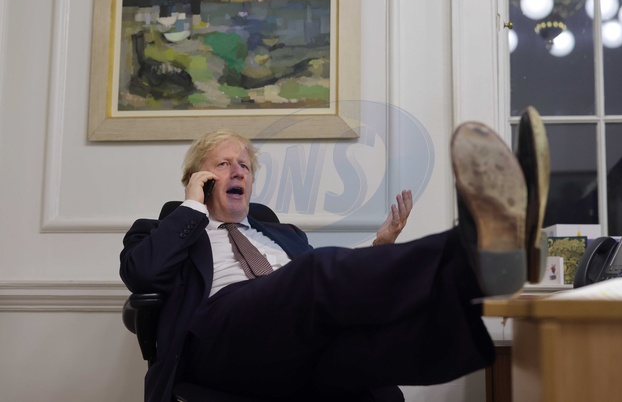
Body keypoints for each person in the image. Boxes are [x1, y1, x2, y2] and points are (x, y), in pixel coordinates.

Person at [120, 106, 549, 402]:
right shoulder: (161, 230)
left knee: (370, 357)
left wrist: (379, 251)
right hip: (218, 342)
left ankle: (489, 260)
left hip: (294, 346)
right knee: (311, 273)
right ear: (198, 177)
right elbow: (143, 275)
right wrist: (191, 207)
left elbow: (327, 294)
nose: (237, 171)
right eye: (223, 164)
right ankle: (478, 251)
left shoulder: (281, 234)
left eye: (244, 166)